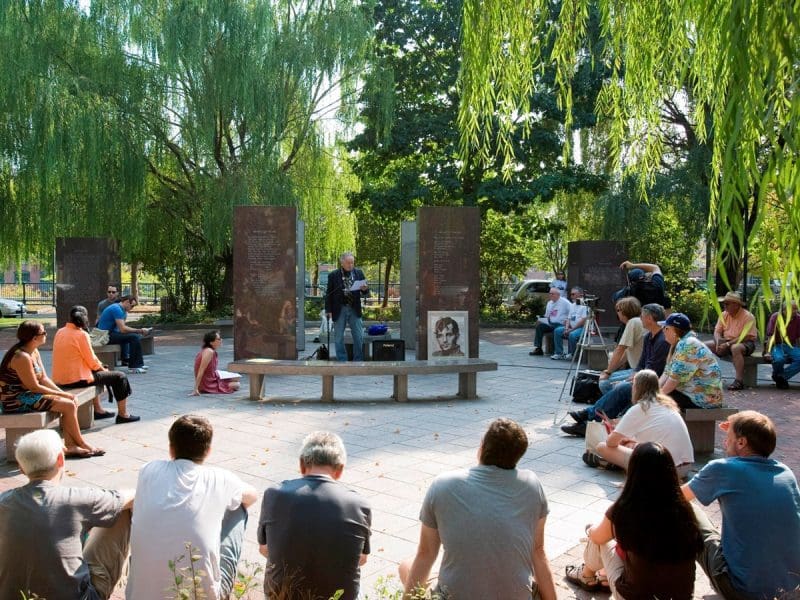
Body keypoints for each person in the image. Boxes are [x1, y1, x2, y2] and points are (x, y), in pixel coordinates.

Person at [400, 418, 557, 600]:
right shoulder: (532, 485)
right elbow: (538, 552)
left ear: (481, 447)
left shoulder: (443, 485)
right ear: (518, 455)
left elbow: (426, 554)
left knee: (405, 566)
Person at [126, 415, 258, 600]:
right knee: (238, 507)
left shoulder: (148, 470)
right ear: (208, 450)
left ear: (171, 449)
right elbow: (252, 496)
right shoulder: (221, 478)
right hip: (201, 595)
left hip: (140, 595)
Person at [0, 429, 134, 600]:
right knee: (119, 511)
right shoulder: (76, 498)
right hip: (79, 596)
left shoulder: (4, 501)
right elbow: (130, 497)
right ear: (60, 460)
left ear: (21, 467)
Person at [682, 410, 800, 598]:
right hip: (791, 588)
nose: (724, 442)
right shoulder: (786, 473)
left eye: (728, 437)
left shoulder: (723, 469)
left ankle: (675, 588)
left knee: (686, 511)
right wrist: (739, 426)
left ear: (741, 442)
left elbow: (675, 496)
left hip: (742, 589)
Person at [566, 442, 702, 597]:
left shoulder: (626, 508)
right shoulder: (684, 508)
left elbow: (598, 537)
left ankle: (586, 575)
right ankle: (601, 576)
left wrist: (590, 530)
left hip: (635, 595)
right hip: (678, 596)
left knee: (601, 538)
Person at [257, 431, 371, 600]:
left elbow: (265, 549)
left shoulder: (275, 494)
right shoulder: (360, 504)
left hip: (283, 595)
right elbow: (361, 559)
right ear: (340, 470)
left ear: (302, 465)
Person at [563, 303, 670, 437]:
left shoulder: (662, 340)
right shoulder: (649, 336)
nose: (640, 318)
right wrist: (635, 373)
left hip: (653, 380)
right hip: (644, 375)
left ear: (649, 318)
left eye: (642, 316)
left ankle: (591, 419)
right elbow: (642, 362)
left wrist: (634, 377)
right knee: (618, 385)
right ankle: (592, 419)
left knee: (622, 387)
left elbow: (654, 368)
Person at [0, 320, 104, 458]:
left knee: (70, 403)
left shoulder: (33, 351)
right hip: (15, 400)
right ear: (34, 337)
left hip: (28, 395)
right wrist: (64, 396)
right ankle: (81, 443)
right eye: (43, 332)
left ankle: (71, 446)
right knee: (67, 405)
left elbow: (43, 378)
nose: (46, 334)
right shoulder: (21, 357)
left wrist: (63, 393)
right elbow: (34, 386)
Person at [591, 370, 694, 476]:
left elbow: (611, 442)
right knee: (631, 444)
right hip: (685, 468)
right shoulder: (669, 405)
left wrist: (621, 439)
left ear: (636, 388)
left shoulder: (640, 408)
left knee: (602, 447)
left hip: (664, 470)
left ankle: (618, 464)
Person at [52, 305, 140, 424]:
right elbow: (92, 360)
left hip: (60, 377)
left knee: (99, 371)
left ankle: (98, 410)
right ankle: (123, 415)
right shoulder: (81, 335)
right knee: (120, 377)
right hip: (76, 379)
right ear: (85, 318)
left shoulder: (60, 331)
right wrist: (103, 369)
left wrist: (101, 368)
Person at [660, 313, 723, 409]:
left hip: (704, 399)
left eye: (666, 328)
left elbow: (674, 379)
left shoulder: (689, 344)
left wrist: (656, 397)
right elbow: (666, 373)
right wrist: (652, 391)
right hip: (690, 393)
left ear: (674, 330)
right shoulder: (680, 344)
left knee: (656, 404)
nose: (663, 331)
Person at [705, 291, 757, 391]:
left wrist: (728, 344)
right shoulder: (724, 315)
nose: (724, 306)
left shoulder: (748, 316)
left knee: (735, 348)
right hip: (726, 341)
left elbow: (745, 336)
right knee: (702, 345)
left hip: (745, 342)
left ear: (736, 305)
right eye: (724, 303)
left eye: (727, 303)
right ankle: (705, 375)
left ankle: (739, 381)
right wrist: (718, 341)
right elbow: (717, 331)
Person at [325, 252, 369, 361]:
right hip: (339, 309)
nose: (351, 265)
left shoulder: (358, 273)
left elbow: (366, 292)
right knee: (339, 337)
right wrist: (328, 310)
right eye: (348, 262)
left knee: (358, 336)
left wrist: (365, 289)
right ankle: (342, 360)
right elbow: (328, 294)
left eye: (352, 262)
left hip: (354, 308)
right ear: (342, 263)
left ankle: (358, 359)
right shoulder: (333, 275)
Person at [598, 296, 644, 393]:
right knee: (608, 377)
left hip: (638, 370)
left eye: (618, 310)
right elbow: (626, 354)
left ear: (624, 311)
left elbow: (620, 349)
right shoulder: (638, 321)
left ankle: (615, 406)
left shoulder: (633, 322)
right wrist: (611, 370)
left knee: (604, 383)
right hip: (638, 369)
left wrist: (608, 372)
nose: (617, 313)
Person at [97, 295, 151, 374]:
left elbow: (122, 329)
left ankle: (138, 364)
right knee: (134, 337)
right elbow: (123, 329)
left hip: (111, 333)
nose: (132, 308)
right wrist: (140, 330)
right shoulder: (116, 309)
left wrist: (137, 331)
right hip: (104, 336)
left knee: (134, 336)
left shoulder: (122, 310)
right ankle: (134, 367)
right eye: (132, 305)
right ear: (126, 302)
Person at [191, 330, 241, 395]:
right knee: (237, 385)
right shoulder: (209, 352)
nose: (221, 340)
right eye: (218, 339)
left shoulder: (210, 350)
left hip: (212, 376)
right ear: (211, 342)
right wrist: (196, 388)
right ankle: (211, 386)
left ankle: (221, 381)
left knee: (236, 377)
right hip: (207, 383)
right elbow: (201, 370)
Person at [766, 300, 800, 389]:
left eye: (796, 308)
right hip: (777, 344)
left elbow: (799, 338)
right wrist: (768, 352)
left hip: (791, 345)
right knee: (779, 359)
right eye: (793, 309)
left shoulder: (798, 318)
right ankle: (781, 380)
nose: (795, 311)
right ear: (784, 310)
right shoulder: (776, 317)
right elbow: (770, 336)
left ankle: (781, 377)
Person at [529, 287, 571, 356]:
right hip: (551, 324)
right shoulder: (549, 303)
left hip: (561, 324)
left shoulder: (565, 302)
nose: (550, 295)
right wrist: (541, 320)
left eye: (552, 294)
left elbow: (572, 312)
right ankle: (538, 348)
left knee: (557, 330)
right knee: (539, 326)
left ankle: (558, 352)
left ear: (558, 294)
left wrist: (568, 321)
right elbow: (547, 316)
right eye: (550, 294)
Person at [551, 287, 588, 360]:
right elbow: (568, 318)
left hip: (582, 328)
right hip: (571, 327)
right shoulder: (572, 305)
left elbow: (583, 321)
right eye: (571, 294)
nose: (571, 296)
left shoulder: (585, 305)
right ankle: (559, 353)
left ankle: (572, 354)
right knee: (557, 331)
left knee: (572, 334)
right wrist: (566, 328)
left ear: (580, 295)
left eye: (573, 294)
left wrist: (571, 330)